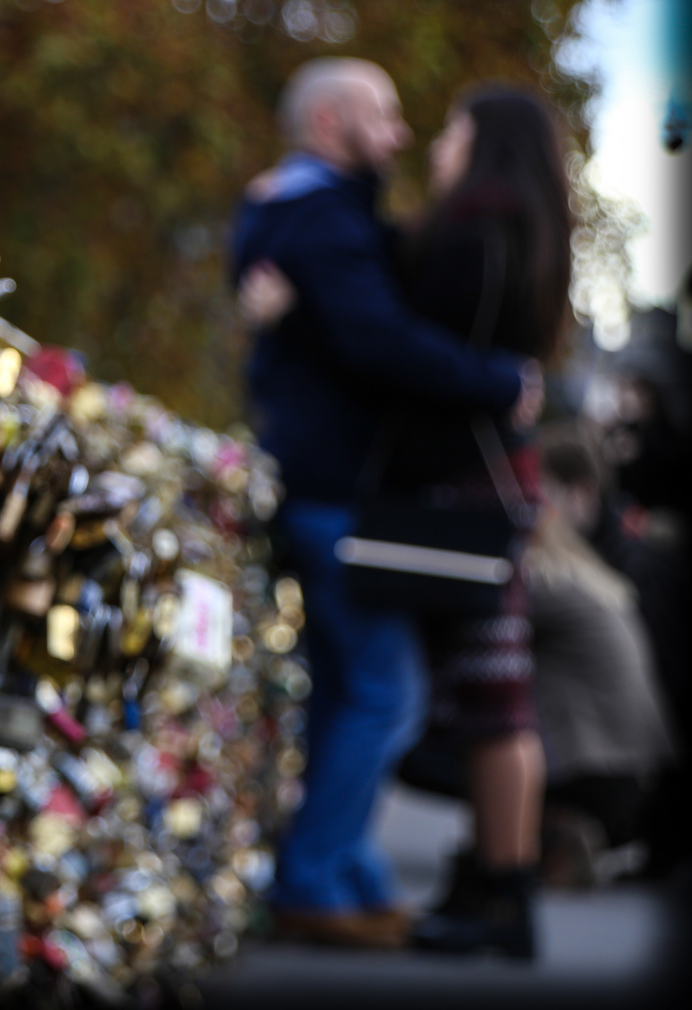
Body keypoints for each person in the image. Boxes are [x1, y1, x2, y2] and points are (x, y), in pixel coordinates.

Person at [239, 82, 574, 958]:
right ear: (328, 122)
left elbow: (371, 294)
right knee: (387, 694)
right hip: (341, 487)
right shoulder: (324, 217)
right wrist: (503, 382)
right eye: (383, 114)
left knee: (372, 690)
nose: (409, 133)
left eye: (428, 121)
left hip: (349, 485)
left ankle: (345, 872)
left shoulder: (324, 212)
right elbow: (379, 337)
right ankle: (321, 878)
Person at [526, 424, 675, 886]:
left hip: (599, 767)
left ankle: (544, 826)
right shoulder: (594, 564)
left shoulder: (549, 572)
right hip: (642, 768)